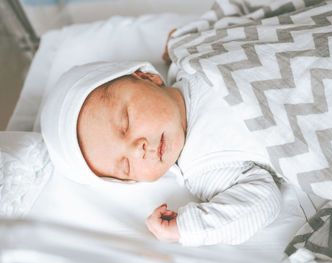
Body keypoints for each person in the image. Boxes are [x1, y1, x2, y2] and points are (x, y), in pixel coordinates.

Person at [41, 40, 281, 247]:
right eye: (126, 166)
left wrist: (185, 39)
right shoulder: (205, 168)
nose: (138, 149)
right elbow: (261, 202)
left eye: (125, 124)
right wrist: (188, 227)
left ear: (147, 77)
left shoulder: (188, 60)